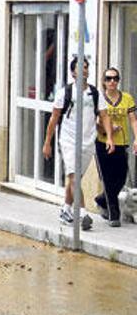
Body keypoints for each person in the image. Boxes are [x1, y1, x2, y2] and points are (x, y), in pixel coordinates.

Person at [42, 57, 114, 230]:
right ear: (73, 72)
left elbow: (104, 116)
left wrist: (110, 137)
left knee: (74, 178)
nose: (85, 70)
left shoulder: (95, 93)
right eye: (81, 68)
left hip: (88, 142)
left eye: (87, 67)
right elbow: (54, 118)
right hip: (68, 140)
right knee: (74, 177)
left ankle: (65, 210)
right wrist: (47, 143)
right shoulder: (65, 93)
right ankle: (82, 214)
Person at [93, 67, 137, 227]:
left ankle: (101, 199)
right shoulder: (99, 98)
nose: (112, 82)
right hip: (103, 143)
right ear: (104, 81)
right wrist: (108, 129)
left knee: (120, 178)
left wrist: (136, 138)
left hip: (121, 144)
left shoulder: (126, 98)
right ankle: (114, 213)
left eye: (115, 78)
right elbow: (95, 124)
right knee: (108, 179)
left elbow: (133, 119)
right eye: (109, 78)